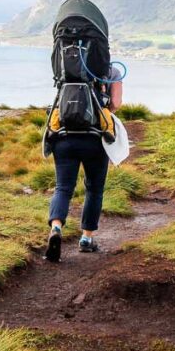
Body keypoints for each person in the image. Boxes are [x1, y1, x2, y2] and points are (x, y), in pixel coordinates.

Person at [44, 65, 123, 262]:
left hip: (63, 136)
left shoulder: (66, 67)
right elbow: (115, 104)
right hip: (95, 139)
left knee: (62, 187)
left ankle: (56, 228)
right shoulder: (110, 71)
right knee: (94, 189)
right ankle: (86, 239)